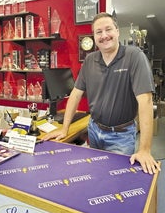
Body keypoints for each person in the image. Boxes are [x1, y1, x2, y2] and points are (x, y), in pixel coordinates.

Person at [43, 12, 161, 175]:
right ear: (94, 36)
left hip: (122, 136)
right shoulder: (90, 60)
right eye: (99, 32)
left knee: (118, 182)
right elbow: (75, 95)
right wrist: (65, 129)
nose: (104, 35)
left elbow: (145, 102)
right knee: (97, 176)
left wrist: (145, 150)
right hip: (94, 130)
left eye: (108, 29)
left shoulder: (134, 57)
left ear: (117, 31)